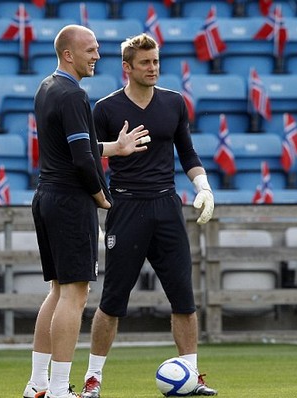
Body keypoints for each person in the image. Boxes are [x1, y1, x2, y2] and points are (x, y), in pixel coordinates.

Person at [79, 33, 216, 398]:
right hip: (126, 208)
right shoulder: (105, 109)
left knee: (184, 299)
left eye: (155, 61)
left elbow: (187, 153)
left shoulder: (174, 103)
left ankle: (190, 375)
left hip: (167, 206)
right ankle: (93, 380)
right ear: (127, 67)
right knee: (112, 301)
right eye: (145, 62)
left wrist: (203, 187)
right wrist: (101, 189)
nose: (153, 67)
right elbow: (87, 156)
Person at [22, 25, 150, 398]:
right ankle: (61, 388)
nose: (97, 56)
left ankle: (38, 384)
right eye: (91, 50)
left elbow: (77, 146)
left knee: (58, 291)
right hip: (68, 200)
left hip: (45, 195)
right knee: (75, 294)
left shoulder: (47, 88)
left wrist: (115, 147)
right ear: (69, 54)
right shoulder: (74, 95)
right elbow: (81, 159)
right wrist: (101, 196)